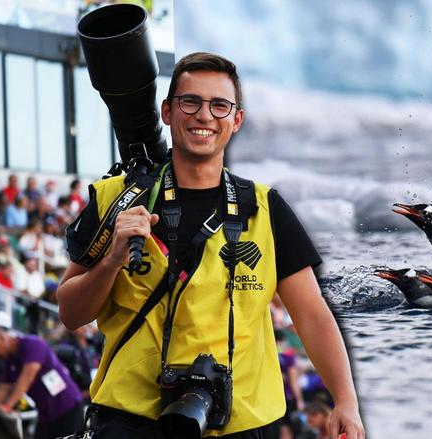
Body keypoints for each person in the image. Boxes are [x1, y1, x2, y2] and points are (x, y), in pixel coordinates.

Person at [57, 52, 364, 439]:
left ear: (236, 120)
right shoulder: (116, 199)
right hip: (129, 420)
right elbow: (70, 312)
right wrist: (112, 259)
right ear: (168, 112)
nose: (204, 116)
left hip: (242, 421)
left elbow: (312, 314)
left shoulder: (265, 209)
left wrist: (346, 401)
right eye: (191, 102)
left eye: (220, 105)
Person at [0, 325, 84, 439]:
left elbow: (26, 378)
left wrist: (7, 406)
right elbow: (3, 388)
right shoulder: (10, 360)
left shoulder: (31, 344)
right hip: (46, 416)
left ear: (2, 338)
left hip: (68, 409)